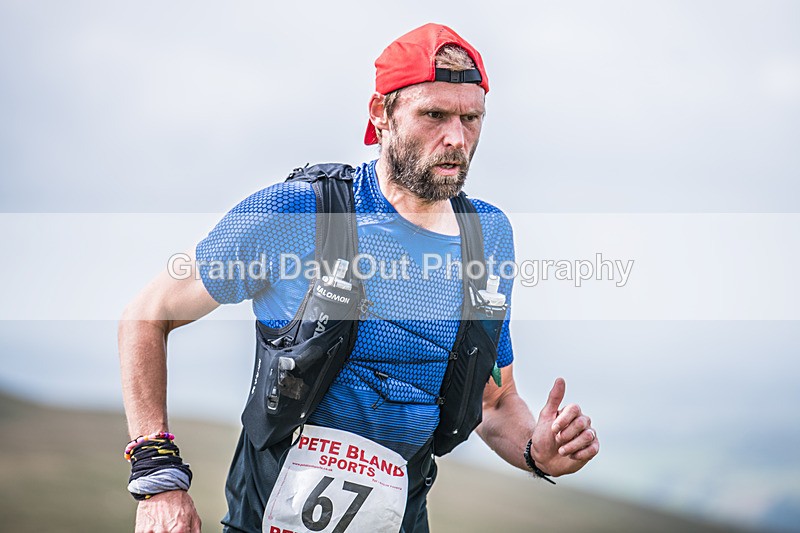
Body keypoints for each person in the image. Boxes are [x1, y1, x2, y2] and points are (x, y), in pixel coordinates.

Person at [119, 23, 599, 533]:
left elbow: (494, 400)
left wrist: (536, 451)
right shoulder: (298, 212)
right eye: (434, 114)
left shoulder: (489, 235)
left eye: (471, 118)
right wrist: (158, 474)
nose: (456, 137)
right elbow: (147, 315)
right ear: (380, 114)